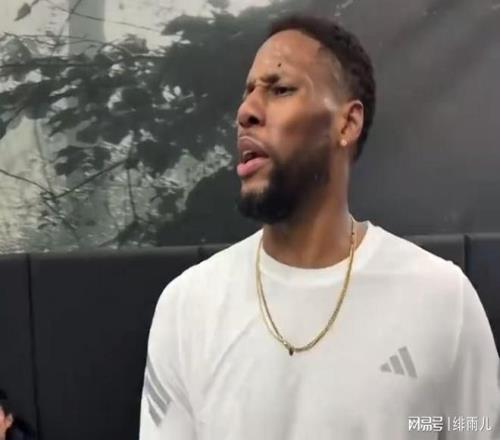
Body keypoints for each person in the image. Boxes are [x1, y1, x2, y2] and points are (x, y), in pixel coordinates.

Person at [139, 13, 500, 439]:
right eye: (248, 92)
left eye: (280, 89)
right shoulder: (188, 307)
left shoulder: (442, 301)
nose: (246, 112)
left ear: (346, 123)